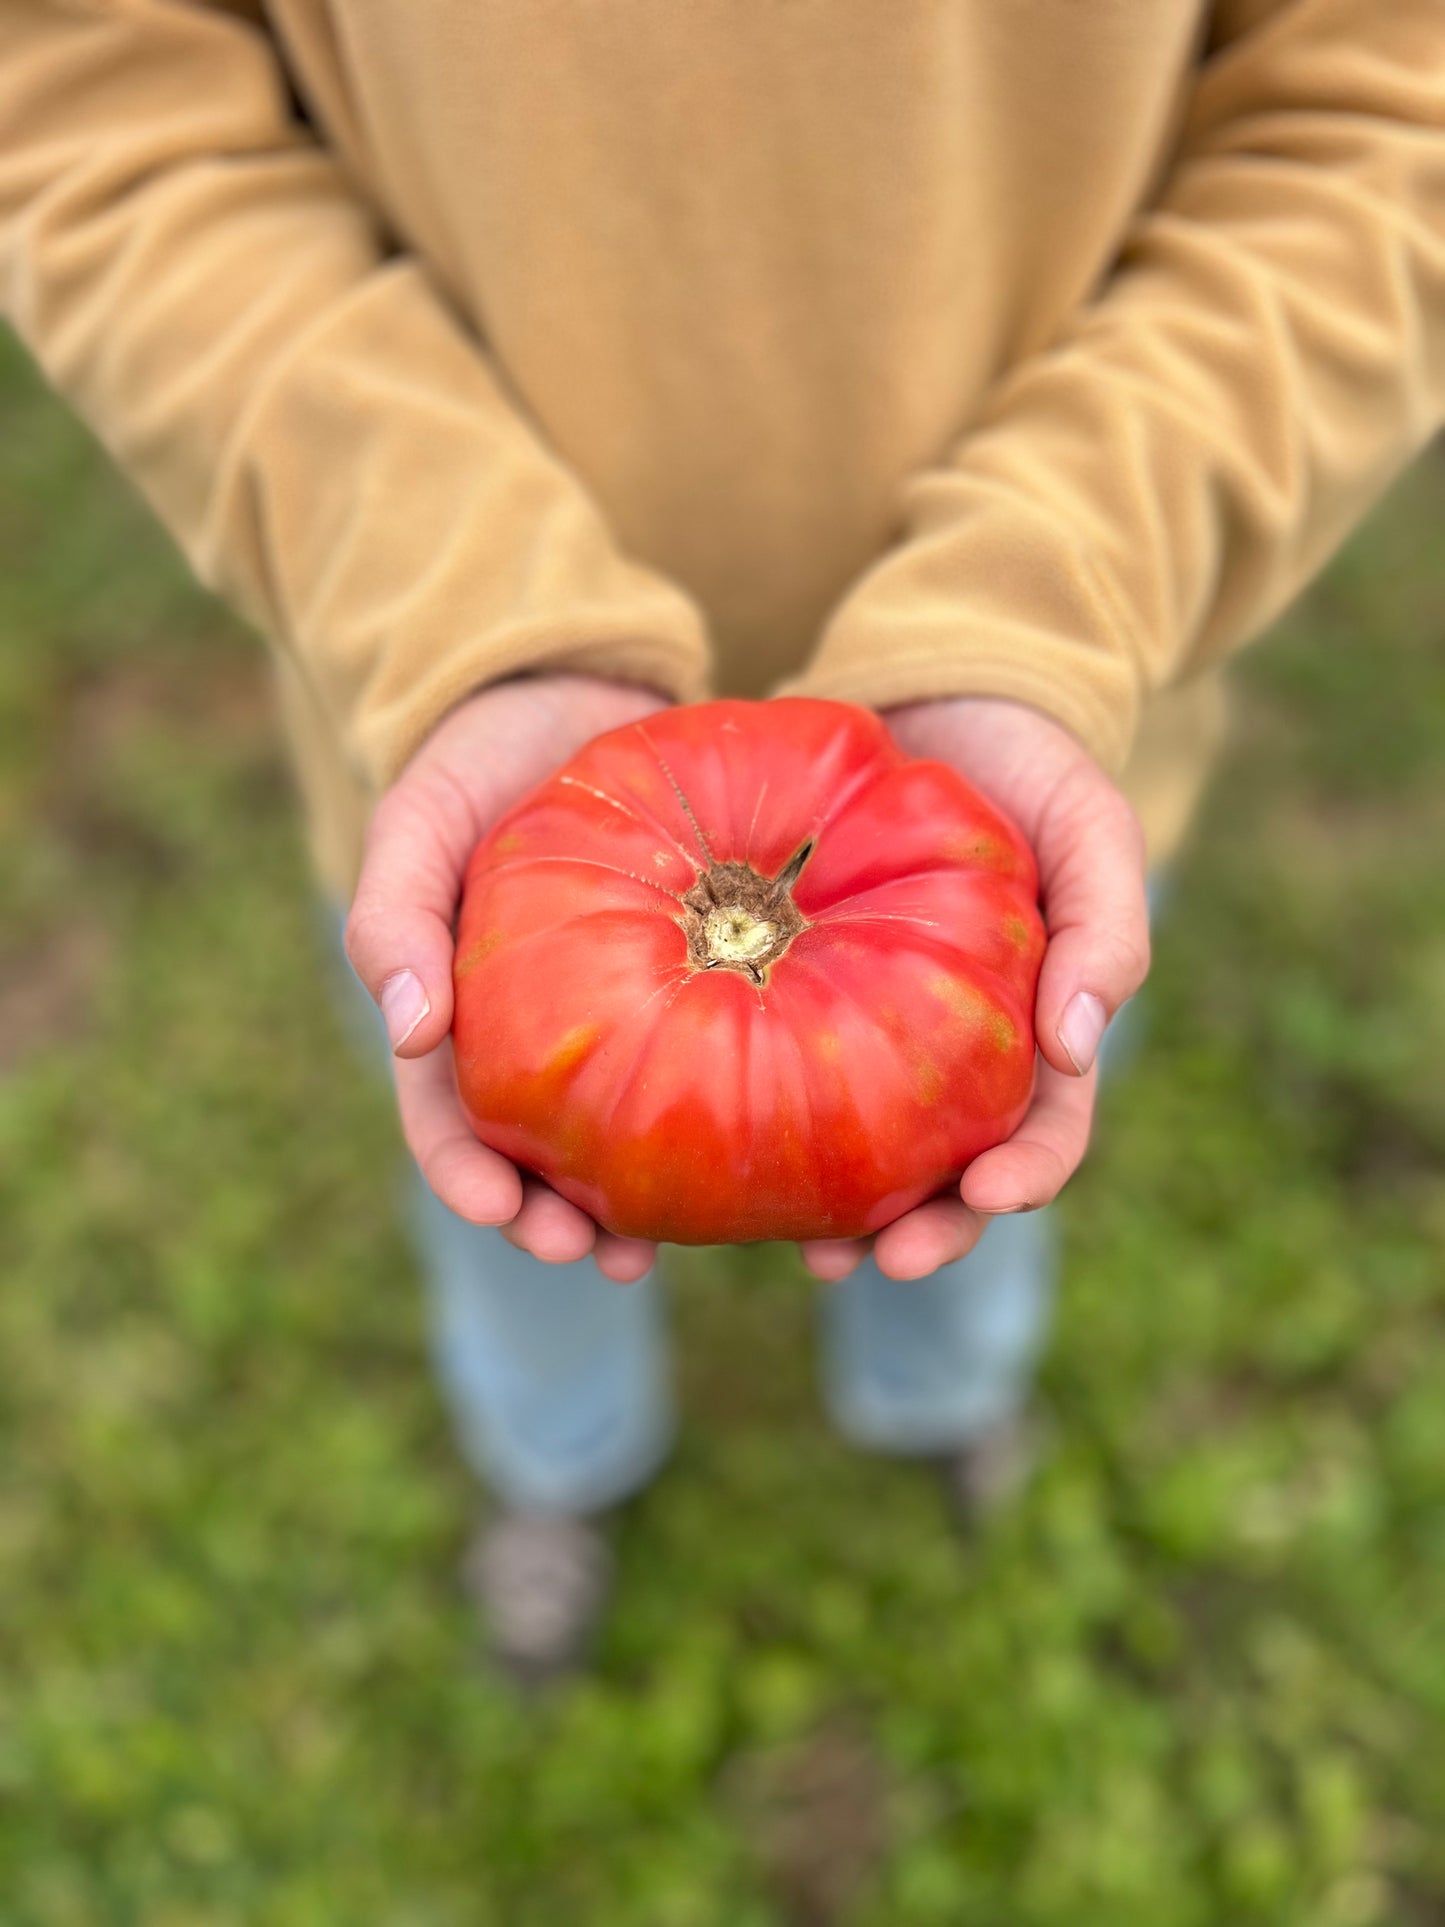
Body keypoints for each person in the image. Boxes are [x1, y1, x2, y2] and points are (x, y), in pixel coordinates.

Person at [3, 1, 1442, 1684]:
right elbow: (98, 114)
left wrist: (1048, 602)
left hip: (1029, 753)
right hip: (466, 771)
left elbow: (1387, 111)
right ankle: (559, 1462)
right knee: (513, 1187)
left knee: (975, 1153)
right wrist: (466, 612)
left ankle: (938, 1403)